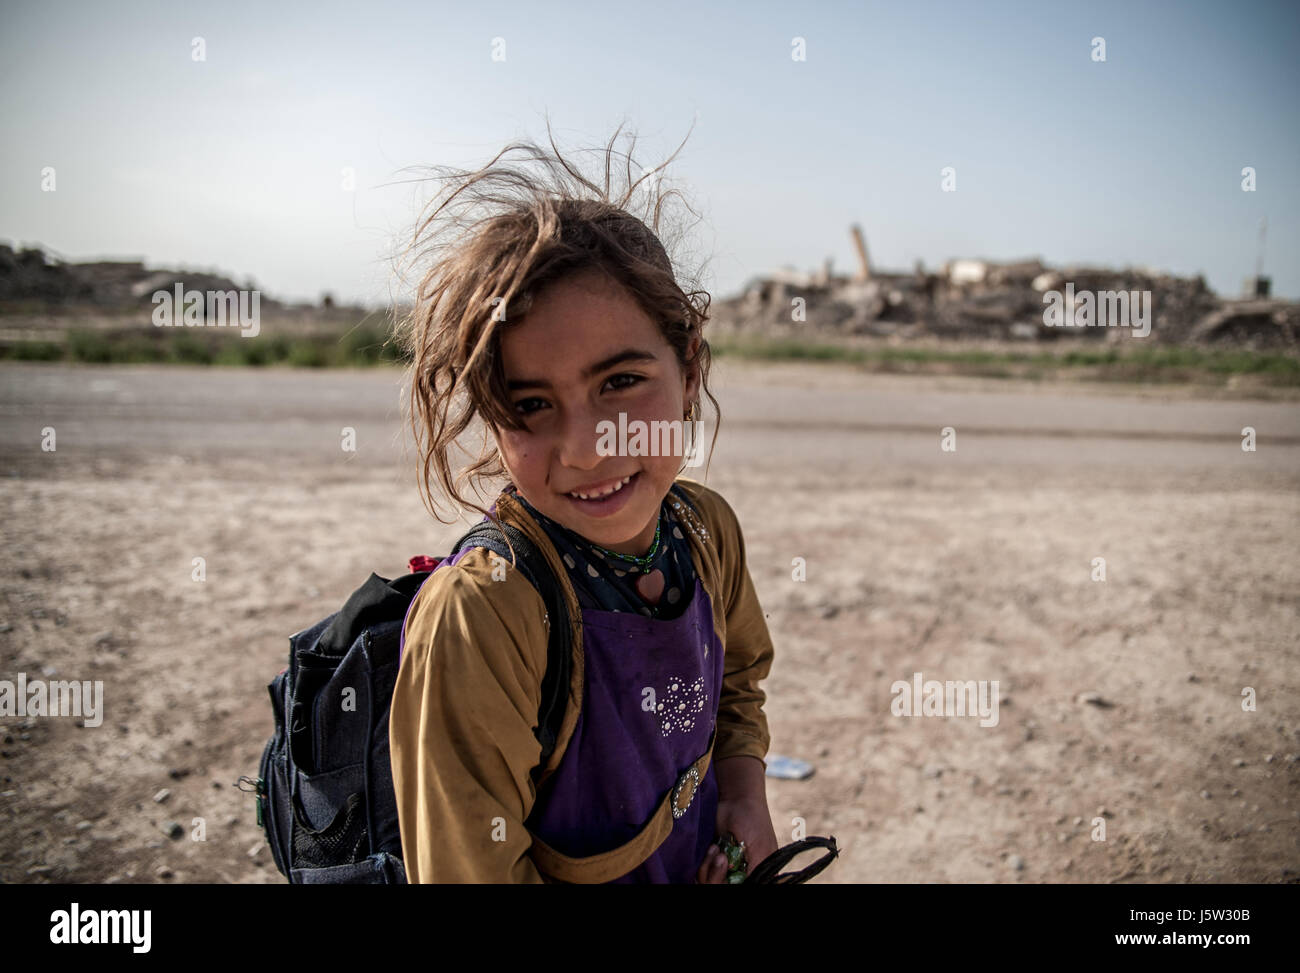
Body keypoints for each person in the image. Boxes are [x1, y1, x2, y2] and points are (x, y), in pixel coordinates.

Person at [387, 125, 777, 883]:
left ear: (688, 363)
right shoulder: (484, 615)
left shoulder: (704, 533)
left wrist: (744, 792)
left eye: (621, 383)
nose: (586, 448)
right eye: (530, 403)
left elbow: (738, 682)